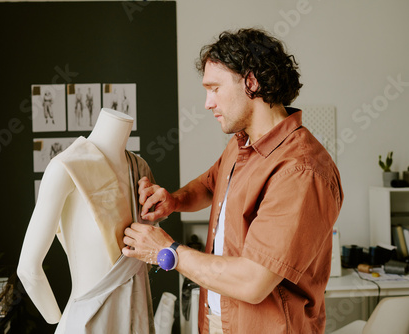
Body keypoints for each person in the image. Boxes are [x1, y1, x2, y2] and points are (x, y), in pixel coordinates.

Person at [123, 28, 343, 333]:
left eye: (214, 88)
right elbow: (211, 185)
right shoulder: (242, 144)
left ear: (250, 82)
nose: (207, 103)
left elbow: (253, 281)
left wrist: (167, 252)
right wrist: (174, 201)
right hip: (220, 322)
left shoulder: (302, 171)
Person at [18, 108, 157, 333]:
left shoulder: (140, 169)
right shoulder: (65, 168)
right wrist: (59, 319)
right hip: (90, 319)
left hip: (135, 315)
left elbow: (151, 254)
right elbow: (28, 268)